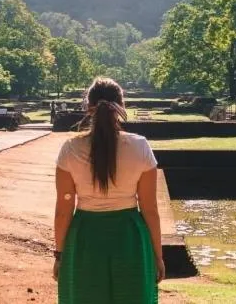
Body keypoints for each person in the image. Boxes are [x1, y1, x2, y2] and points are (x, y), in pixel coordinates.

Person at [54, 77, 164, 303]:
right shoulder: (140, 146)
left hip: (85, 238)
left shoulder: (70, 149)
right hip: (130, 239)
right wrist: (158, 256)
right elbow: (150, 209)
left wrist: (60, 254)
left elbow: (63, 211)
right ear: (121, 106)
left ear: (88, 107)